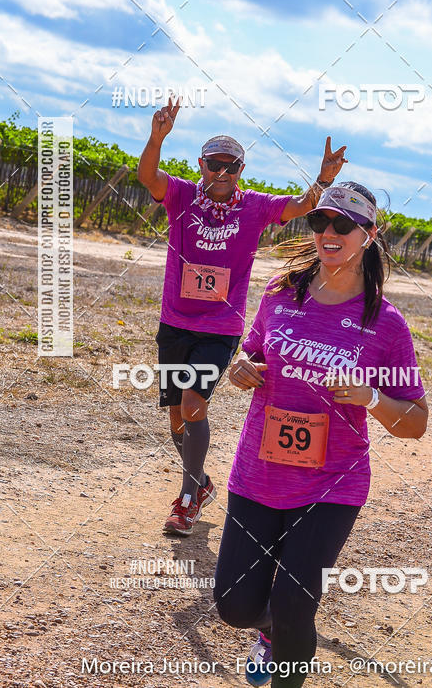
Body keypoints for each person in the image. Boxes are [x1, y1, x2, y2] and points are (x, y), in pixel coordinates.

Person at [214, 181, 428, 687]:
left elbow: (416, 422)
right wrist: (240, 367)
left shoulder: (386, 324)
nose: (328, 233)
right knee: (235, 606)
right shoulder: (280, 292)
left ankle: (286, 642)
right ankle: (268, 631)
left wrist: (371, 397)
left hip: (333, 483)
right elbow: (251, 353)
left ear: (368, 235)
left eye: (343, 225)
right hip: (258, 474)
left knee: (293, 603)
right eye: (319, 222)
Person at [137, 97, 348, 536]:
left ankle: (188, 499)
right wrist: (157, 138)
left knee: (195, 403)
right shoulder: (179, 195)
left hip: (220, 328)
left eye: (231, 166)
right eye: (215, 164)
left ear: (241, 172)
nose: (222, 173)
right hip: (175, 323)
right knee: (177, 417)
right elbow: (147, 177)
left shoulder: (253, 206)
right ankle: (202, 481)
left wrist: (324, 180)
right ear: (201, 164)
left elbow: (300, 206)